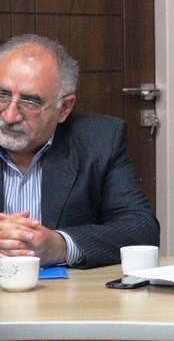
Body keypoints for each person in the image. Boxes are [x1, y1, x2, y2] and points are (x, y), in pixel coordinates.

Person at [0, 34, 160, 269]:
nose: (9, 115)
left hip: (64, 289)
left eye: (30, 103)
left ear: (64, 108)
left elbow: (141, 229)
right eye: (2, 95)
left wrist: (59, 246)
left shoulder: (100, 140)